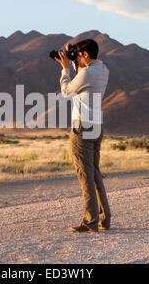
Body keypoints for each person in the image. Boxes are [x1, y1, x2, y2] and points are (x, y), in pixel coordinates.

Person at [54, 39, 111, 233]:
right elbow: (83, 78)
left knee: (85, 175)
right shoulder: (103, 69)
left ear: (85, 55)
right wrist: (73, 61)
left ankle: (90, 221)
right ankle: (104, 218)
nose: (76, 57)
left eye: (78, 55)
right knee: (95, 173)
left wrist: (64, 69)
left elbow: (66, 91)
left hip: (82, 127)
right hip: (97, 125)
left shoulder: (86, 72)